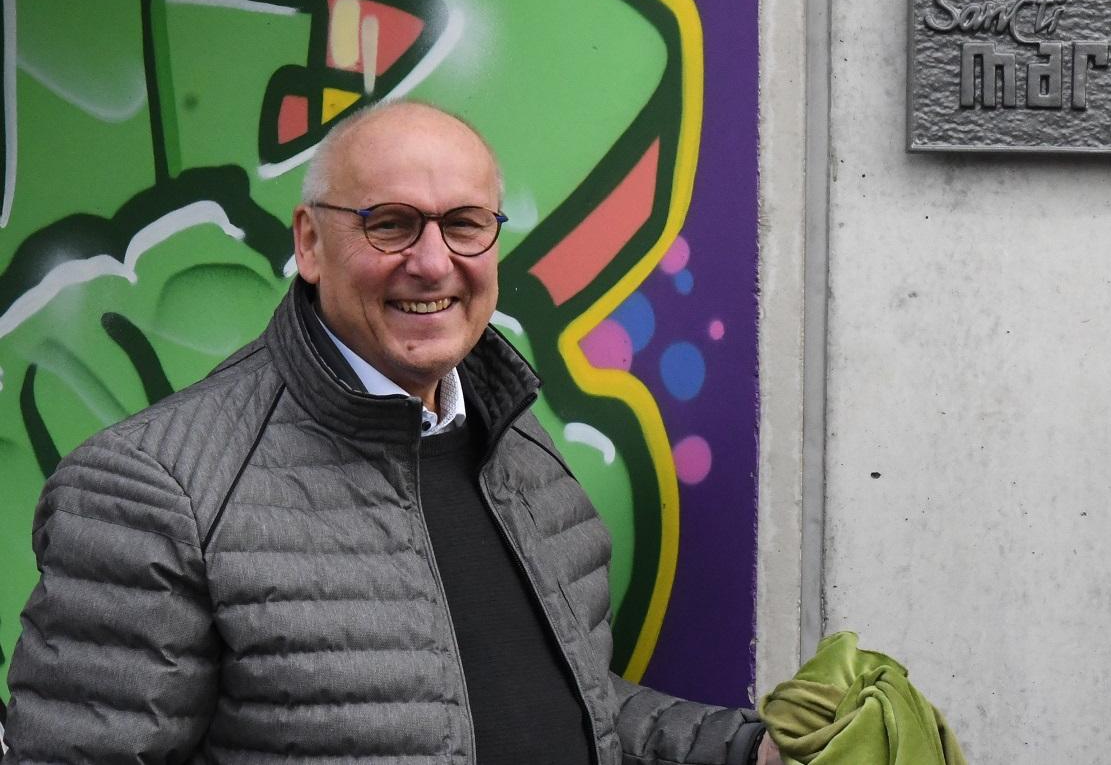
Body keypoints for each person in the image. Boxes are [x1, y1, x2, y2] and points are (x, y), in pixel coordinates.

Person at [4, 101, 779, 765]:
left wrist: (752, 748)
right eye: (391, 224)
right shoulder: (156, 488)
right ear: (310, 242)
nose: (434, 262)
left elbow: (551, 706)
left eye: (466, 225)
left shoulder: (519, 447)